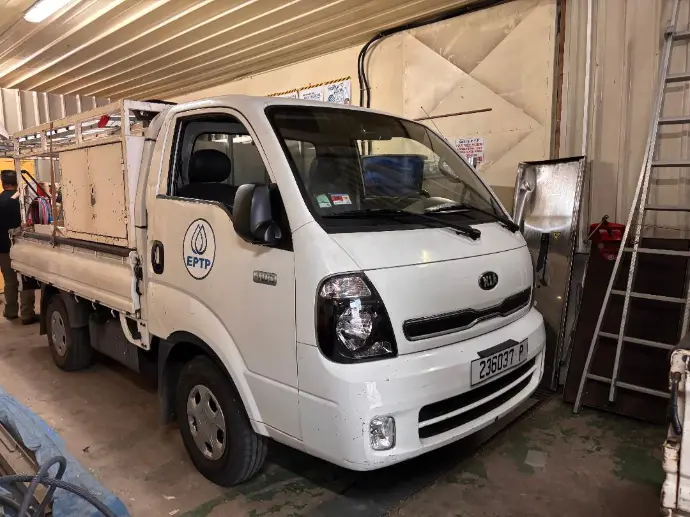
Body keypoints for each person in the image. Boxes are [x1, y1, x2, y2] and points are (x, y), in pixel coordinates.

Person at [0, 170, 37, 324]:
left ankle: (11, 311)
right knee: (25, 281)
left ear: (3, 183)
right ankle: (27, 314)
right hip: (23, 246)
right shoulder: (24, 201)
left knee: (10, 281)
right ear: (17, 183)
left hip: (3, 248)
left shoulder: (1, 200)